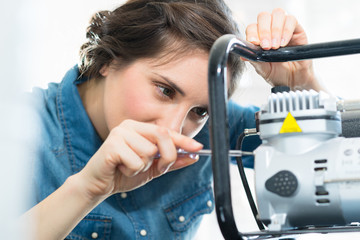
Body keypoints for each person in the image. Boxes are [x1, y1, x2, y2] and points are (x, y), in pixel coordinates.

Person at [21, 1, 325, 239]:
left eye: (200, 111)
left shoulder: (214, 127)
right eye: (165, 90)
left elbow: (327, 163)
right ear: (110, 59)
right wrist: (87, 189)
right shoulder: (19, 127)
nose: (174, 129)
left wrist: (302, 82)